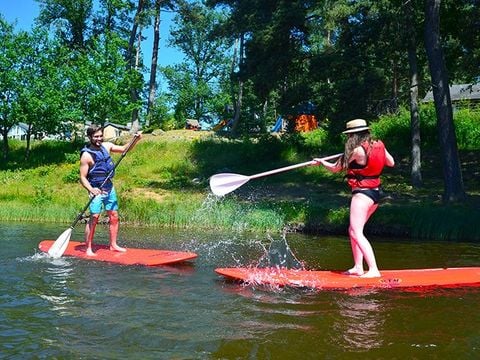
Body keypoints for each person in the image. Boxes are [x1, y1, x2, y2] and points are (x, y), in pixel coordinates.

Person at [315, 119, 394, 278]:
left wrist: (321, 162)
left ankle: (373, 270)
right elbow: (391, 162)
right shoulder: (379, 144)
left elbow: (335, 168)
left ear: (353, 135)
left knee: (357, 232)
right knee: (353, 230)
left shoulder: (356, 151)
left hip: (362, 195)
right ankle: (358, 267)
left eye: (349, 135)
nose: (348, 138)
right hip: (375, 194)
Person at [79, 124, 141, 256]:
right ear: (90, 137)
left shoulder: (107, 146)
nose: (99, 139)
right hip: (96, 190)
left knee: (114, 216)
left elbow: (125, 149)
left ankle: (113, 245)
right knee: (94, 217)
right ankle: (88, 247)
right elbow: (83, 178)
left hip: (109, 187)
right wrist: (91, 189)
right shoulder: (86, 155)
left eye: (101, 136)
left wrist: (135, 140)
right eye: (96, 136)